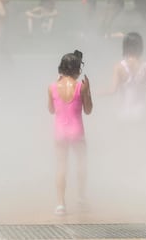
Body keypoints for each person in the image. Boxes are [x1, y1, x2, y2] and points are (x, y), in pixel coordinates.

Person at [48, 50, 93, 216]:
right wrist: (88, 91)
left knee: (61, 167)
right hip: (77, 131)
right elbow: (88, 110)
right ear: (77, 69)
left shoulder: (52, 87)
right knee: (81, 164)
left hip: (60, 132)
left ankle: (60, 204)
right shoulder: (81, 87)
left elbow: (51, 110)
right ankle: (81, 197)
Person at [106, 32, 146, 122]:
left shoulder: (119, 66)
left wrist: (93, 93)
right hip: (140, 112)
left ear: (125, 47)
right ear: (140, 47)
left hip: (123, 111)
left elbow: (112, 91)